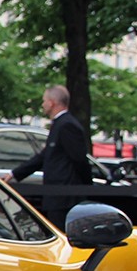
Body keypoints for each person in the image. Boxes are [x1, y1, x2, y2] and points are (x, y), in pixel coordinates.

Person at [11, 85, 90, 227]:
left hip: (64, 198)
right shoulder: (60, 124)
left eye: (44, 101)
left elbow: (79, 159)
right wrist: (15, 174)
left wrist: (86, 188)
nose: (43, 104)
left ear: (52, 102)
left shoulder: (66, 125)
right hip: (59, 197)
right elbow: (45, 156)